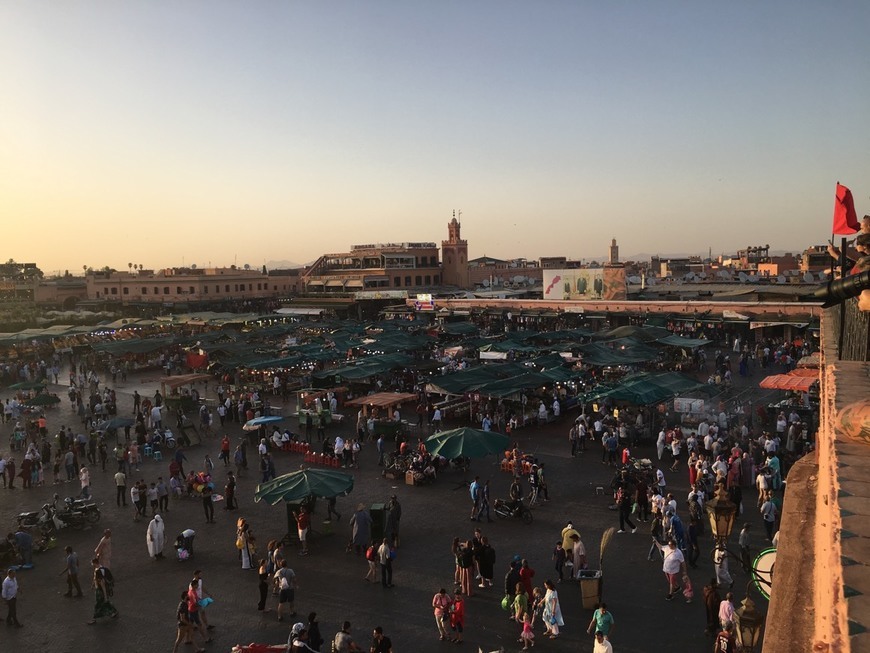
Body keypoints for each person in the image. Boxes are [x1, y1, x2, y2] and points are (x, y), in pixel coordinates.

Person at [87, 558, 118, 624]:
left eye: (92, 563)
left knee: (98, 604)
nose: (92, 565)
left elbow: (102, 583)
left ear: (95, 563)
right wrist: (93, 584)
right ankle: (113, 612)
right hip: (105, 589)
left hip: (100, 590)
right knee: (105, 602)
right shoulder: (104, 569)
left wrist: (105, 594)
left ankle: (94, 618)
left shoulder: (98, 572)